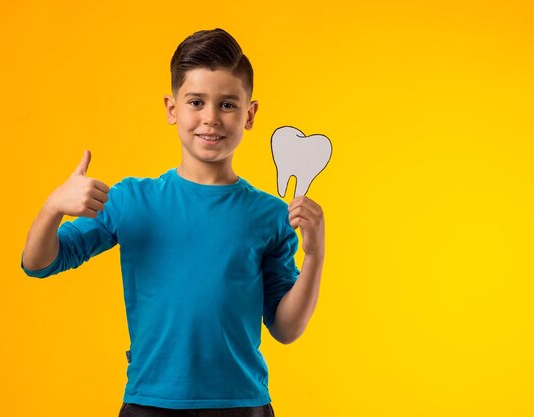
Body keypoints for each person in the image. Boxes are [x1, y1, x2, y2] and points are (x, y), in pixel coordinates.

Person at [20, 28, 325, 417]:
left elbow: (286, 329)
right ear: (172, 109)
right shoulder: (132, 200)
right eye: (196, 102)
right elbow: (38, 263)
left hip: (242, 405)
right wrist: (52, 209)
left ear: (250, 114)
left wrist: (314, 254)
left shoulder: (270, 216)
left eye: (227, 105)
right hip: (150, 403)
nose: (211, 118)